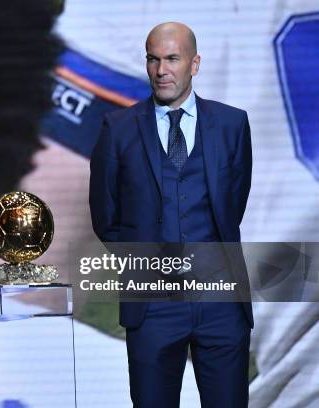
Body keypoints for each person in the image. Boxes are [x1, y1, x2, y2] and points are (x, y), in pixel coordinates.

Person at [89, 22, 253, 407]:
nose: (161, 70)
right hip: (152, 305)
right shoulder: (118, 128)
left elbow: (235, 203)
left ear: (194, 64)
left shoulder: (232, 125)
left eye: (172, 59)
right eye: (153, 59)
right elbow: (105, 217)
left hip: (222, 301)